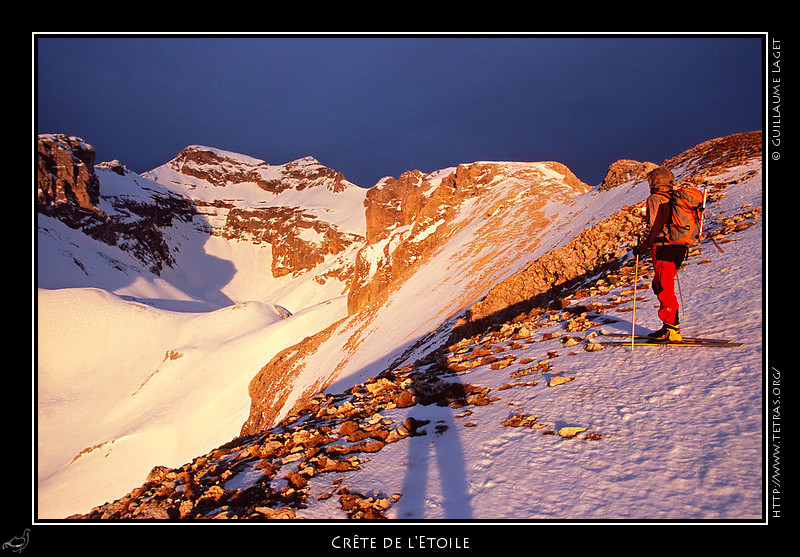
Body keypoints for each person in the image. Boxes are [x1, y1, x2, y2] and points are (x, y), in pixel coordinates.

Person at [635, 166, 688, 341]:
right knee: (661, 285)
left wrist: (644, 245)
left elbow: (655, 225)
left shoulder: (655, 199)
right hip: (679, 247)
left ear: (656, 181)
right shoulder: (675, 198)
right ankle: (668, 326)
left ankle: (672, 330)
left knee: (664, 287)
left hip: (664, 247)